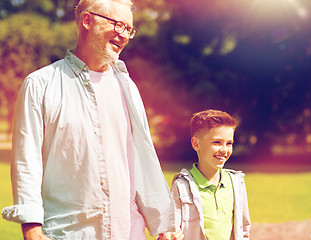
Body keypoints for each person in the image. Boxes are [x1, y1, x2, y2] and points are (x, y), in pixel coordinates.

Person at [1, 0, 183, 239]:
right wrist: (32, 228)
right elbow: (27, 162)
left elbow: (141, 156)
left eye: (129, 29)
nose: (124, 36)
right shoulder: (39, 84)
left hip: (128, 232)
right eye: (118, 25)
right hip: (67, 233)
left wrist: (162, 225)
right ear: (87, 21)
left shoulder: (127, 86)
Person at [166, 109, 251, 240]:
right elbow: (172, 230)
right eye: (217, 142)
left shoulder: (236, 182)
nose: (224, 150)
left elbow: (243, 230)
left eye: (229, 143)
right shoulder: (181, 186)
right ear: (196, 144)